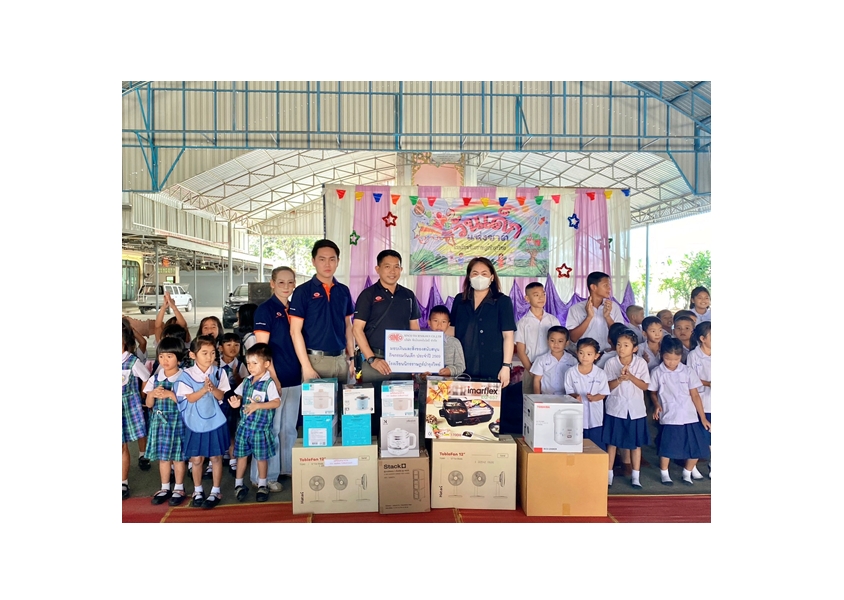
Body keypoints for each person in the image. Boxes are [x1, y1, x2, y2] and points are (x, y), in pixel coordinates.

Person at [353, 250, 421, 421]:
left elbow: (414, 328)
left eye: (396, 267)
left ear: (401, 269)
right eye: (387, 267)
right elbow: (357, 329)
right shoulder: (368, 295)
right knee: (374, 411)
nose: (392, 271)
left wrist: (416, 360)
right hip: (375, 361)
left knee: (400, 411)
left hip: (402, 363)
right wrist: (372, 359)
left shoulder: (408, 295)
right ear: (378, 269)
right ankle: (375, 440)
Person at [254, 266, 302, 489]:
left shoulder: (295, 309)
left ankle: (287, 467)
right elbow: (262, 349)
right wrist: (273, 378)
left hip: (294, 376)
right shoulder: (265, 310)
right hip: (274, 378)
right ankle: (267, 476)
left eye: (290, 282)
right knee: (271, 429)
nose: (286, 286)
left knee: (289, 427)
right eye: (281, 282)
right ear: (272, 283)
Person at [175, 335, 231, 509]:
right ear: (193, 355)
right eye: (204, 353)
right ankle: (197, 490)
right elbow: (190, 398)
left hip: (215, 421)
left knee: (216, 457)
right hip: (195, 423)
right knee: (197, 458)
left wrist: (213, 389)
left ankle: (216, 490)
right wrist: (204, 389)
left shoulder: (219, 372)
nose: (209, 357)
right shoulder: (185, 375)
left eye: (212, 353)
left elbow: (221, 396)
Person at [289, 240, 356, 382]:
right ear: (313, 261)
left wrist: (351, 358)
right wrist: (306, 366)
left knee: (342, 397)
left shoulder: (343, 291)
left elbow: (348, 326)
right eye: (322, 259)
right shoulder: (302, 292)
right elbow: (295, 331)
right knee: (317, 398)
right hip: (315, 361)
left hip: (341, 360)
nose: (327, 264)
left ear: (338, 261)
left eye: (332, 259)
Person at [648, 337, 711, 486]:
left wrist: (703, 418)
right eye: (668, 359)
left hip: (689, 415)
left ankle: (687, 472)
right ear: (662, 354)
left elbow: (695, 395)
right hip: (670, 415)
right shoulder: (657, 372)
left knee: (697, 447)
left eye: (676, 359)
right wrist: (656, 404)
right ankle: (665, 473)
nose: (672, 362)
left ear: (681, 357)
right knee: (668, 447)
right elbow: (653, 392)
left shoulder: (687, 371)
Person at [449, 257, 516, 387]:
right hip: (463, 365)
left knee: (490, 400)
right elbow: (451, 331)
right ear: (469, 277)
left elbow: (508, 336)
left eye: (484, 273)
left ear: (492, 277)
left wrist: (506, 366)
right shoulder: (460, 300)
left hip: (493, 366)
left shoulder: (503, 301)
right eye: (475, 273)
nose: (479, 277)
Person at [228, 343, 281, 503]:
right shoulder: (246, 381)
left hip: (260, 429)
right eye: (248, 363)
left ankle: (262, 485)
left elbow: (276, 402)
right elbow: (238, 395)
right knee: (241, 456)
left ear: (266, 364)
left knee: (261, 458)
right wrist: (236, 402)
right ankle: (238, 485)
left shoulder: (269, 383)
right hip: (244, 428)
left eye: (255, 363)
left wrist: (258, 406)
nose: (250, 367)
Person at [143, 337, 189, 506]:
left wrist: (170, 395)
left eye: (169, 356)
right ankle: (164, 487)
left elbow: (188, 402)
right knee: (163, 458)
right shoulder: (155, 378)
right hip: (159, 422)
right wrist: (151, 394)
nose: (165, 360)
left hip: (177, 422)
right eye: (161, 356)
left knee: (178, 457)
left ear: (179, 357)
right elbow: (148, 404)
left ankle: (179, 488)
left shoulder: (184, 377)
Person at [602, 329, 651, 489]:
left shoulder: (640, 363)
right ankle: (608, 475)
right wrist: (619, 379)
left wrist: (630, 377)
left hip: (635, 409)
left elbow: (645, 386)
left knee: (636, 444)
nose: (621, 348)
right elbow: (606, 387)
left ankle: (636, 477)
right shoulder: (611, 363)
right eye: (618, 344)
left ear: (634, 348)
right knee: (612, 443)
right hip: (615, 408)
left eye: (626, 345)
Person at [122, 319, 151, 500]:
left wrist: (142, 395)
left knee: (122, 446)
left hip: (126, 407)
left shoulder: (131, 361)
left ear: (124, 340)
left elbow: (147, 378)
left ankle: (123, 482)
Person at [564, 338, 610, 450]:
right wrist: (575, 396)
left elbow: (603, 393)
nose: (585, 357)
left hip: (595, 418)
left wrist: (594, 398)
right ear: (577, 353)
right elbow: (568, 392)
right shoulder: (571, 372)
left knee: (596, 447)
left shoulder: (600, 373)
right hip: (577, 416)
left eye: (589, 354)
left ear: (596, 356)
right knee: (577, 446)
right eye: (581, 353)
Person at [515, 282, 561, 394]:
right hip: (531, 367)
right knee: (531, 401)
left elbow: (560, 346)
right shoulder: (522, 323)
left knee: (553, 400)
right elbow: (521, 351)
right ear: (527, 298)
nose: (541, 298)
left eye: (543, 294)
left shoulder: (553, 320)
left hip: (552, 369)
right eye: (536, 295)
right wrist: (533, 372)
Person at [565, 271, 624, 352]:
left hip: (609, 354)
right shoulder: (575, 309)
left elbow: (621, 335)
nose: (609, 288)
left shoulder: (613, 307)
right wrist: (589, 317)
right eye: (605, 285)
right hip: (585, 355)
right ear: (593, 287)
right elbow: (573, 338)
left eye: (609, 285)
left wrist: (608, 317)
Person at [219, 332, 248, 475]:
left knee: (233, 429)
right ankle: (215, 460)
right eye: (228, 344)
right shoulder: (215, 364)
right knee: (219, 429)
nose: (233, 348)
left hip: (234, 402)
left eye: (236, 345)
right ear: (220, 347)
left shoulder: (241, 365)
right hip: (218, 402)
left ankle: (232, 458)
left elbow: (246, 384)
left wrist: (237, 376)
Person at [687, 321, 712, 479]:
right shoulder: (693, 355)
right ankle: (691, 467)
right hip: (701, 401)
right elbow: (691, 378)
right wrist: (708, 383)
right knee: (702, 436)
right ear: (703, 339)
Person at [530, 326, 577, 395]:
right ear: (548, 341)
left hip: (566, 397)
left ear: (566, 343)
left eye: (560, 341)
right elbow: (537, 380)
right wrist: (538, 398)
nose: (556, 344)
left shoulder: (572, 361)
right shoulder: (541, 360)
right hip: (546, 397)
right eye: (552, 340)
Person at [428, 305, 465, 377]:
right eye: (435, 321)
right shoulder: (422, 342)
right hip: (426, 383)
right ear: (429, 322)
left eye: (443, 322)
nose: (439, 325)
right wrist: (421, 375)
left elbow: (461, 366)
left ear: (448, 324)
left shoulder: (454, 342)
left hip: (449, 383)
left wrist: (450, 371)